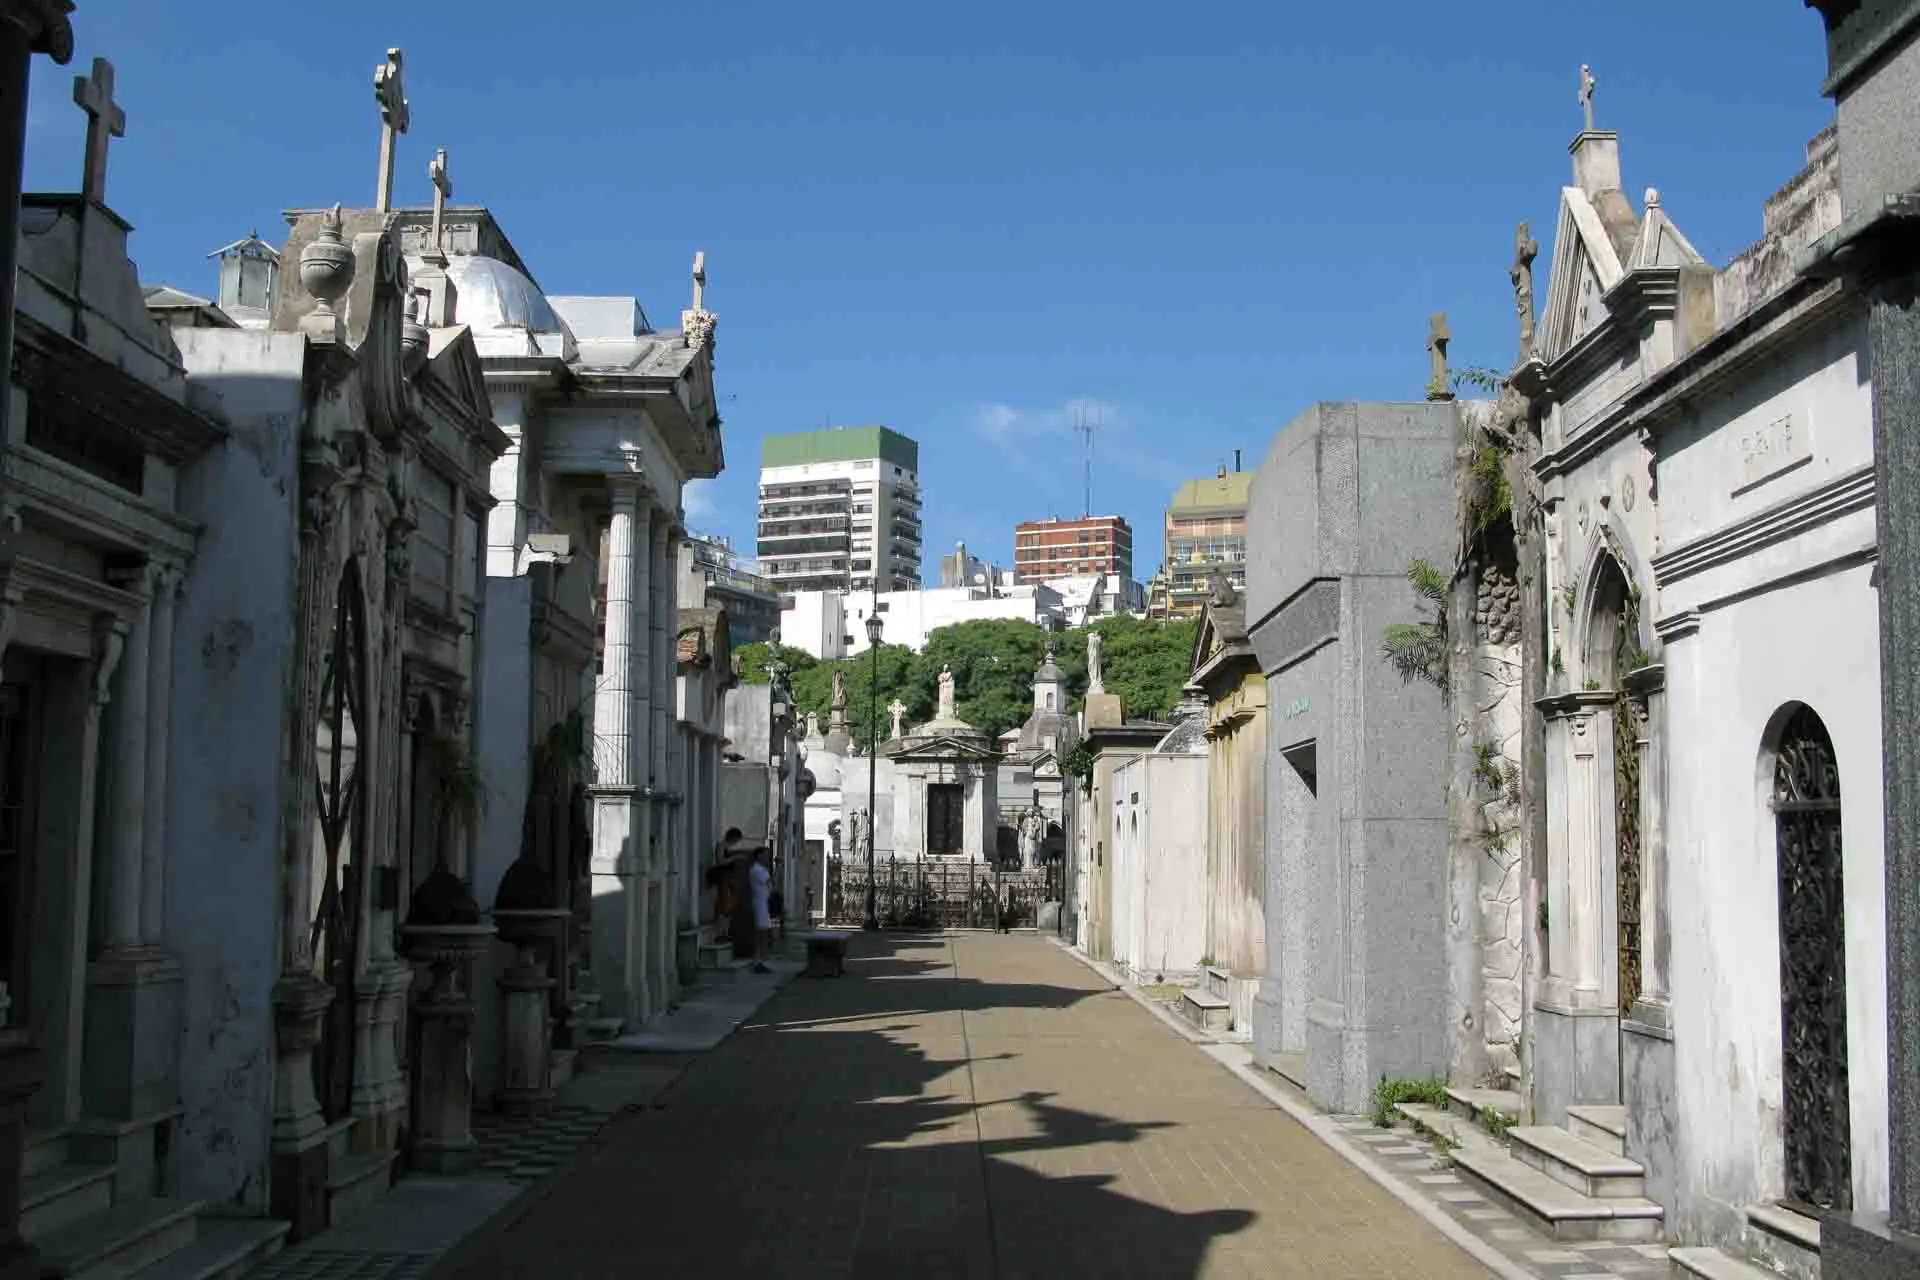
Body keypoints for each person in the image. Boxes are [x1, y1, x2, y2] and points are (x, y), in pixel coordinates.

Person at [749, 847, 773, 974]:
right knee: (760, 934)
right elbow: (770, 883)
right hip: (760, 904)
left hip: (762, 902)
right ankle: (758, 961)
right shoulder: (758, 870)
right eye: (764, 855)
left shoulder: (760, 870)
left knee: (762, 933)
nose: (766, 857)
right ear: (758, 856)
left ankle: (760, 961)